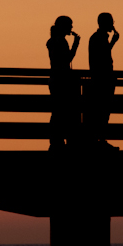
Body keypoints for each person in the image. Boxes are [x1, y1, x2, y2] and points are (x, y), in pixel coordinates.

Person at [47, 15, 80, 152]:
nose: (72, 27)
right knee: (62, 111)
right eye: (70, 25)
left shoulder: (53, 40)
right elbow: (67, 59)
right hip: (62, 81)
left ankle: (56, 141)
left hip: (56, 80)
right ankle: (59, 141)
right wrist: (76, 45)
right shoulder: (60, 41)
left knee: (57, 111)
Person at [87, 12, 120, 151]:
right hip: (102, 80)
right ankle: (99, 141)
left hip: (101, 79)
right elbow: (102, 57)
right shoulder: (98, 38)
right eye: (111, 21)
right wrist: (113, 42)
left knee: (102, 111)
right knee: (102, 111)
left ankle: (99, 140)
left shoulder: (97, 37)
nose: (113, 24)